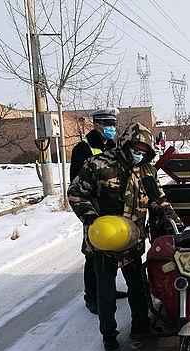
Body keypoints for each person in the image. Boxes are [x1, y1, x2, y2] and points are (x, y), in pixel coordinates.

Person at [68, 122, 183, 351]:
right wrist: (91, 218)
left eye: (143, 149)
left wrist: (176, 225)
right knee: (106, 291)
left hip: (132, 240)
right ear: (125, 143)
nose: (138, 152)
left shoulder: (147, 170)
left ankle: (140, 326)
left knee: (138, 286)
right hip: (103, 242)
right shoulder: (98, 164)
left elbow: (159, 201)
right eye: (135, 147)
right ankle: (108, 334)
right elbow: (76, 193)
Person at [69, 107, 126, 315]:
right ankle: (91, 297)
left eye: (113, 125)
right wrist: (88, 212)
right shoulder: (83, 149)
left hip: (112, 209)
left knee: (112, 253)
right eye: (106, 124)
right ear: (96, 125)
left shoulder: (112, 145)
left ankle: (108, 289)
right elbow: (76, 183)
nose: (111, 128)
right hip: (93, 210)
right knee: (93, 254)